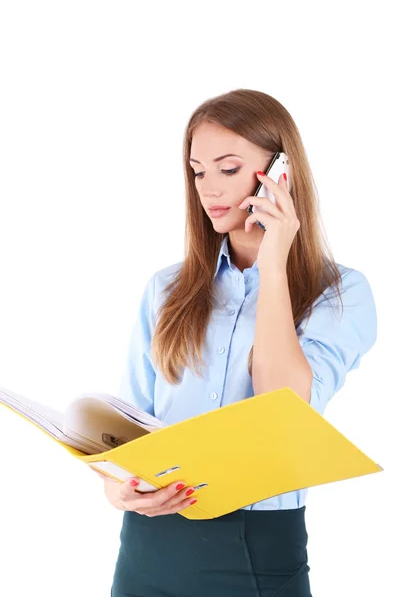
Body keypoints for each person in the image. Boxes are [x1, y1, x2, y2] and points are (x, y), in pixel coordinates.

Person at [95, 89, 377, 596]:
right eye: (198, 171)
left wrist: (273, 265)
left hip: (257, 548)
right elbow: (126, 428)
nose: (208, 188)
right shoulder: (166, 287)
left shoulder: (340, 292)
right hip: (147, 548)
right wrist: (122, 491)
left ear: (281, 173)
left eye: (228, 168)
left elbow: (283, 406)